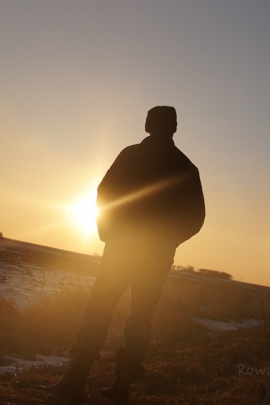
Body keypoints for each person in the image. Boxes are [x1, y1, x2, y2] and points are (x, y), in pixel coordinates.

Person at [48, 106, 205, 404]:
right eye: (149, 118)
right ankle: (87, 384)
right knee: (118, 314)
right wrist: (109, 230)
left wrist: (119, 234)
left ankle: (98, 384)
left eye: (153, 119)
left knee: (116, 313)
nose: (148, 123)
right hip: (129, 249)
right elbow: (105, 192)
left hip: (135, 251)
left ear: (167, 127)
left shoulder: (172, 164)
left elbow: (194, 217)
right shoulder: (168, 162)